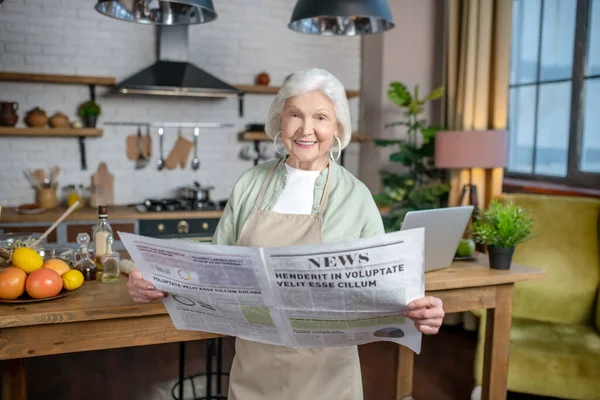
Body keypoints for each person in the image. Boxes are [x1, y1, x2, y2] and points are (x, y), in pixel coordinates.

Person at [127, 68, 445, 399]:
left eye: (320, 117)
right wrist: (155, 276)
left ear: (337, 127)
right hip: (254, 370)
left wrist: (420, 309)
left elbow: (384, 288)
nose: (306, 129)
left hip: (328, 377)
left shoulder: (357, 196)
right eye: (295, 115)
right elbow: (214, 265)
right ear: (281, 120)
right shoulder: (250, 183)